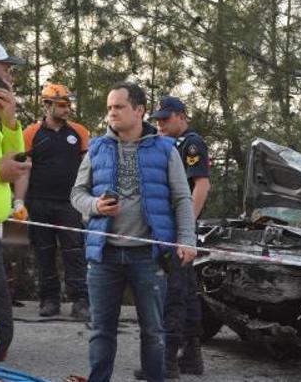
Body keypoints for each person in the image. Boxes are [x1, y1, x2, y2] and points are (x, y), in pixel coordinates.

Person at [70, 82, 197, 382]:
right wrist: (96, 206)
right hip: (104, 255)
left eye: (118, 107)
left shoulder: (166, 149)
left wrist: (187, 240)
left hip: (149, 256)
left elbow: (182, 198)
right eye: (109, 108)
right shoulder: (97, 147)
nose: (111, 113)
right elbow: (76, 194)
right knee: (101, 330)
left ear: (139, 110)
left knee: (153, 331)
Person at [136, 96, 210, 379]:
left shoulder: (191, 143)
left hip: (180, 232)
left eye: (165, 119)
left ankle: (166, 362)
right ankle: (191, 357)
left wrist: (185, 229)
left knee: (173, 295)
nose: (160, 125)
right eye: (157, 120)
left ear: (181, 116)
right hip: (177, 232)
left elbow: (201, 184)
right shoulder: (173, 144)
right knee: (187, 293)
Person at [13, 83, 90, 320]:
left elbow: (88, 169)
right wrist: (19, 201)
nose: (67, 109)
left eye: (69, 105)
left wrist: (88, 201)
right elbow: (23, 170)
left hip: (70, 203)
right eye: (62, 105)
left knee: (74, 251)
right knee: (44, 252)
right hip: (39, 202)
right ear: (47, 105)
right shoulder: (30, 134)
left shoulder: (79, 132)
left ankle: (80, 300)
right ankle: (49, 299)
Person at [0, 34, 31, 377]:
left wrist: (10, 123)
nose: (10, 77)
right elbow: (2, 168)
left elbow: (16, 160)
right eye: (5, 68)